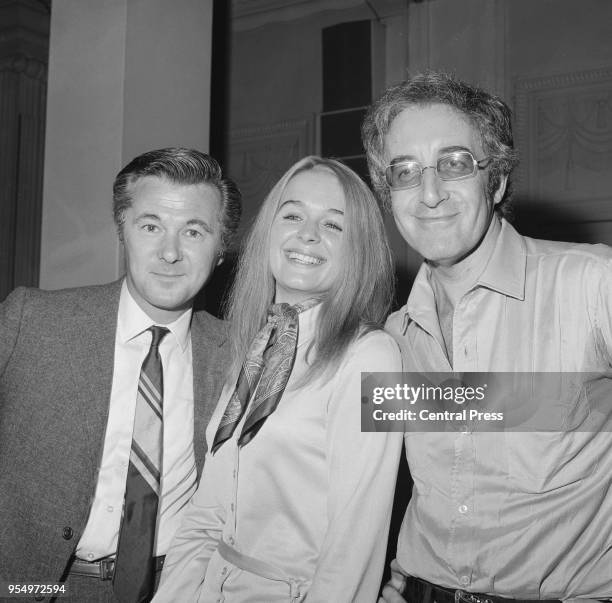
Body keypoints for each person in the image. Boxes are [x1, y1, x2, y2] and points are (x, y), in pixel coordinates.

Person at [361, 72, 612, 602]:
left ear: (494, 180)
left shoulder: (592, 284)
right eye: (404, 172)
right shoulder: (389, 339)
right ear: (388, 197)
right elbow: (376, 487)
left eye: (454, 164)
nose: (429, 193)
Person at [153, 156, 403, 602]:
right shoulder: (255, 346)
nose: (307, 234)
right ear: (268, 229)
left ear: (358, 248)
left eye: (334, 225)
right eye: (292, 215)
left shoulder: (371, 356)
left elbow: (355, 545)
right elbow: (207, 513)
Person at [0, 147, 241, 602]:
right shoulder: (32, 321)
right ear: (122, 230)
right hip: (35, 585)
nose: (170, 252)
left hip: (174, 587)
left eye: (194, 231)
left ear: (221, 249)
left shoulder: (238, 354)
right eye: (150, 226)